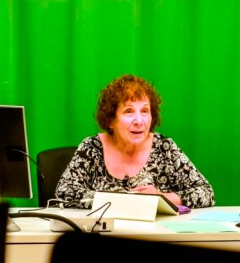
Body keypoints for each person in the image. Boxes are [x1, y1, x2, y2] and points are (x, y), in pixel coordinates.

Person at [54, 74, 215, 209]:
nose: (139, 121)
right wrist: (124, 200)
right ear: (111, 120)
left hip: (154, 235)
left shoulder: (164, 148)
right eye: (129, 111)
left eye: (145, 111)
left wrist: (162, 197)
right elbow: (64, 192)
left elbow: (206, 192)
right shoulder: (91, 148)